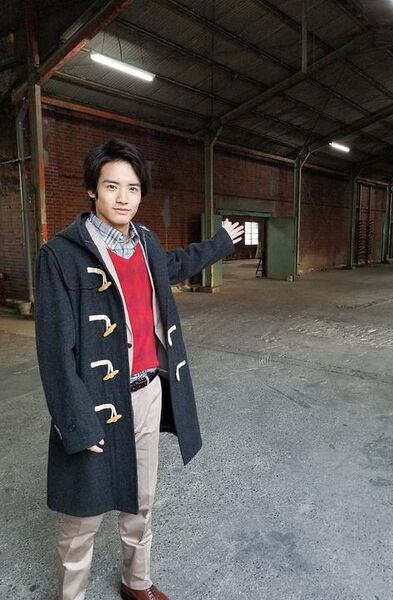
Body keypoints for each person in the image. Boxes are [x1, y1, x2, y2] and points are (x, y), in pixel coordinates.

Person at [34, 138, 243, 600]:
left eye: (132, 188)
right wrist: (76, 422)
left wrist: (221, 243)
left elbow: (177, 264)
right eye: (112, 186)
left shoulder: (145, 242)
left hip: (146, 392)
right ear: (92, 189)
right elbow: (54, 351)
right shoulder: (62, 256)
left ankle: (136, 582)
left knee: (142, 500)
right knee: (83, 514)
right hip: (94, 402)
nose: (123, 198)